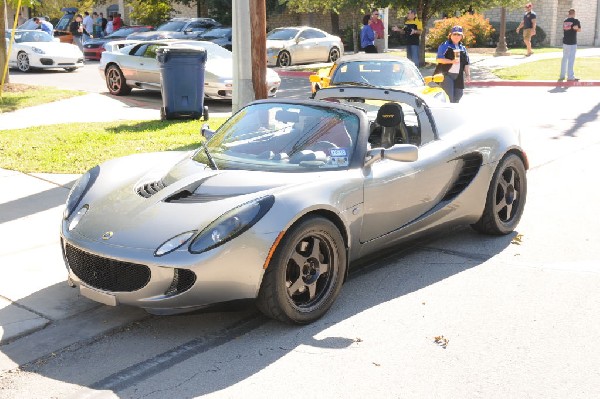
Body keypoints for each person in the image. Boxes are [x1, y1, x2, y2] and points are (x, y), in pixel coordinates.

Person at [434, 25, 471, 103]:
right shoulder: (445, 45)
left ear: (462, 36)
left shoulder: (463, 48)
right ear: (450, 35)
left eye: (459, 34)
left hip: (458, 76)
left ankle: (453, 112)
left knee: (458, 96)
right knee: (448, 97)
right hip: (446, 75)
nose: (456, 36)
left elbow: (466, 63)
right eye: (454, 34)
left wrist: (468, 75)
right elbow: (439, 59)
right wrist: (451, 61)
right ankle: (446, 114)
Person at [560, 9, 581, 81]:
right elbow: (579, 30)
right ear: (574, 13)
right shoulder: (576, 21)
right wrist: (577, 28)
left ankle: (562, 75)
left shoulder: (565, 21)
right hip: (572, 42)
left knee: (564, 59)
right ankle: (570, 77)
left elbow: (565, 29)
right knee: (571, 59)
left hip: (565, 42)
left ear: (568, 13)